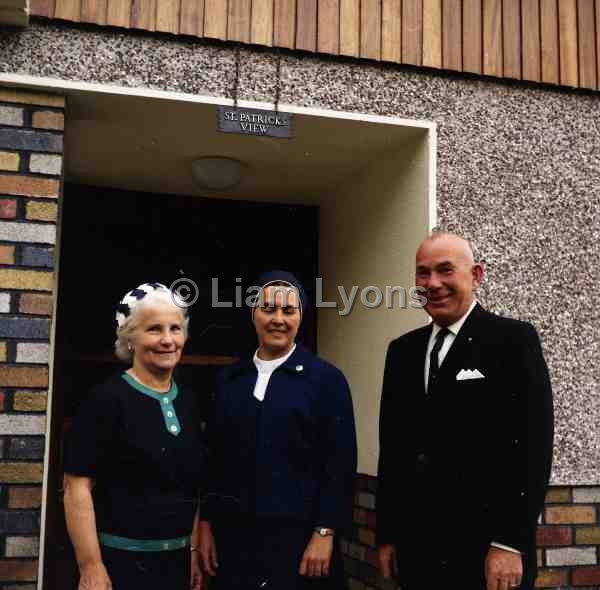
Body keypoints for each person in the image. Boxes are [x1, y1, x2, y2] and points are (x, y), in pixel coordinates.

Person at [376, 233, 554, 590]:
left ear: (476, 275)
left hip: (487, 552)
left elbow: (533, 448)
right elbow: (393, 449)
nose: (434, 283)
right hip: (418, 551)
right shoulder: (402, 351)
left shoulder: (512, 341)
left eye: (445, 270)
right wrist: (388, 535)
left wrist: (509, 542)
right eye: (423, 273)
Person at [198, 270, 357, 590]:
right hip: (235, 544)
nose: (278, 319)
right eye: (268, 309)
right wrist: (205, 524)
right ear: (252, 314)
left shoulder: (326, 380)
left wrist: (324, 533)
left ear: (302, 316)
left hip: (299, 545)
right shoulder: (230, 380)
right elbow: (213, 459)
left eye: (289, 310)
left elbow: (339, 464)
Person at [63, 282, 205, 590]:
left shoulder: (190, 402)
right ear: (129, 338)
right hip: (118, 567)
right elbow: (76, 488)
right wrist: (91, 566)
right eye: (154, 329)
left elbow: (191, 488)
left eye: (175, 329)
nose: (168, 340)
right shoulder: (105, 400)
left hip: (176, 566)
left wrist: (192, 551)